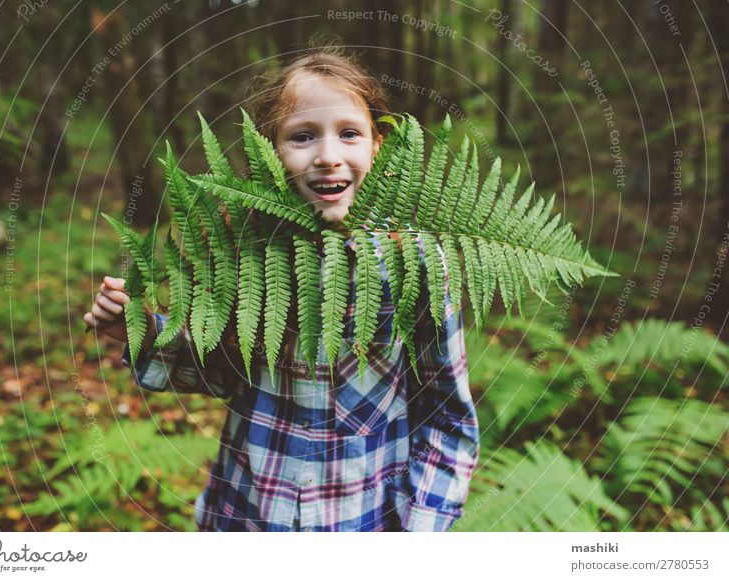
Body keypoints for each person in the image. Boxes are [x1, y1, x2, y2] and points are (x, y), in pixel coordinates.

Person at [83, 47, 479, 532]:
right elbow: (220, 372)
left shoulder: (415, 262)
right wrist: (138, 328)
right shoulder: (245, 250)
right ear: (269, 152)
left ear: (377, 145)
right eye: (303, 137)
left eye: (349, 134)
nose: (328, 157)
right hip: (248, 510)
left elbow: (447, 418)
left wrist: (420, 531)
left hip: (359, 518)